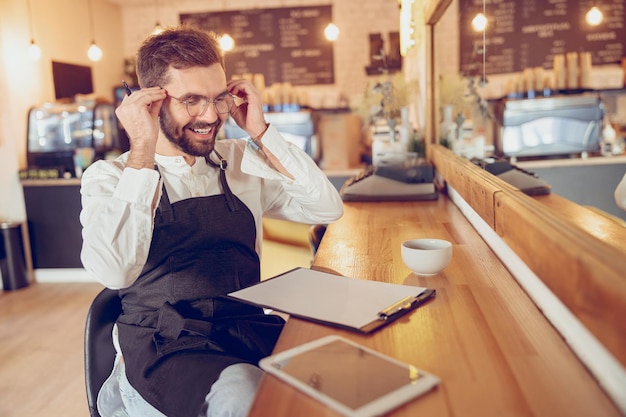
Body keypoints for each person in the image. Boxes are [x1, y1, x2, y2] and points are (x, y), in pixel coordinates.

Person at [79, 25, 343, 417]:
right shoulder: (112, 177)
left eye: (218, 99)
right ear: (150, 101)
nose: (210, 116)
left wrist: (262, 132)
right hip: (165, 349)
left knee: (335, 367)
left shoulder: (238, 161)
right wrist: (142, 150)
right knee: (243, 393)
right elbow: (115, 272)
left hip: (243, 328)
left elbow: (325, 208)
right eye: (191, 101)